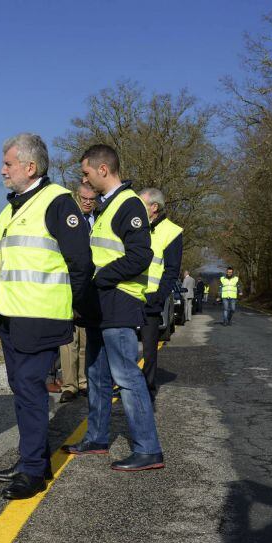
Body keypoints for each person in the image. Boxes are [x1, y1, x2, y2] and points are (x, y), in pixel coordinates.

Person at [0, 133, 92, 499]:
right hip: (10, 319)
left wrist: (69, 306)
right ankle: (33, 459)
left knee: (31, 389)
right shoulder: (10, 208)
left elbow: (81, 263)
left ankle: (33, 471)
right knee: (22, 391)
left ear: (30, 167)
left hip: (41, 318)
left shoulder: (58, 203)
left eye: (8, 164)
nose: (2, 170)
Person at [63, 144, 164, 472]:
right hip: (100, 305)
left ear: (103, 170)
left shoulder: (128, 204)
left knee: (126, 375)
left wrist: (100, 279)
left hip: (118, 302)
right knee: (96, 374)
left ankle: (148, 449)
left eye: (86, 172)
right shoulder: (107, 208)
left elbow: (140, 256)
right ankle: (97, 437)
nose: (84, 178)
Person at [137, 187, 182, 404]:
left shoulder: (172, 231)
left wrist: (159, 297)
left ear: (154, 207)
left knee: (148, 348)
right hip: (129, 294)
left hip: (151, 299)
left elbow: (172, 271)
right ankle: (127, 386)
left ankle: (148, 387)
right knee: (124, 345)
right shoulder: (136, 226)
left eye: (141, 204)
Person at [58, 182, 98, 403]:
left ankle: (84, 382)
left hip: (91, 287)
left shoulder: (99, 220)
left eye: (91, 199)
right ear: (77, 196)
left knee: (86, 341)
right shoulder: (67, 220)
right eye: (83, 198)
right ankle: (69, 385)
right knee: (68, 341)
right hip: (69, 285)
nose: (87, 202)